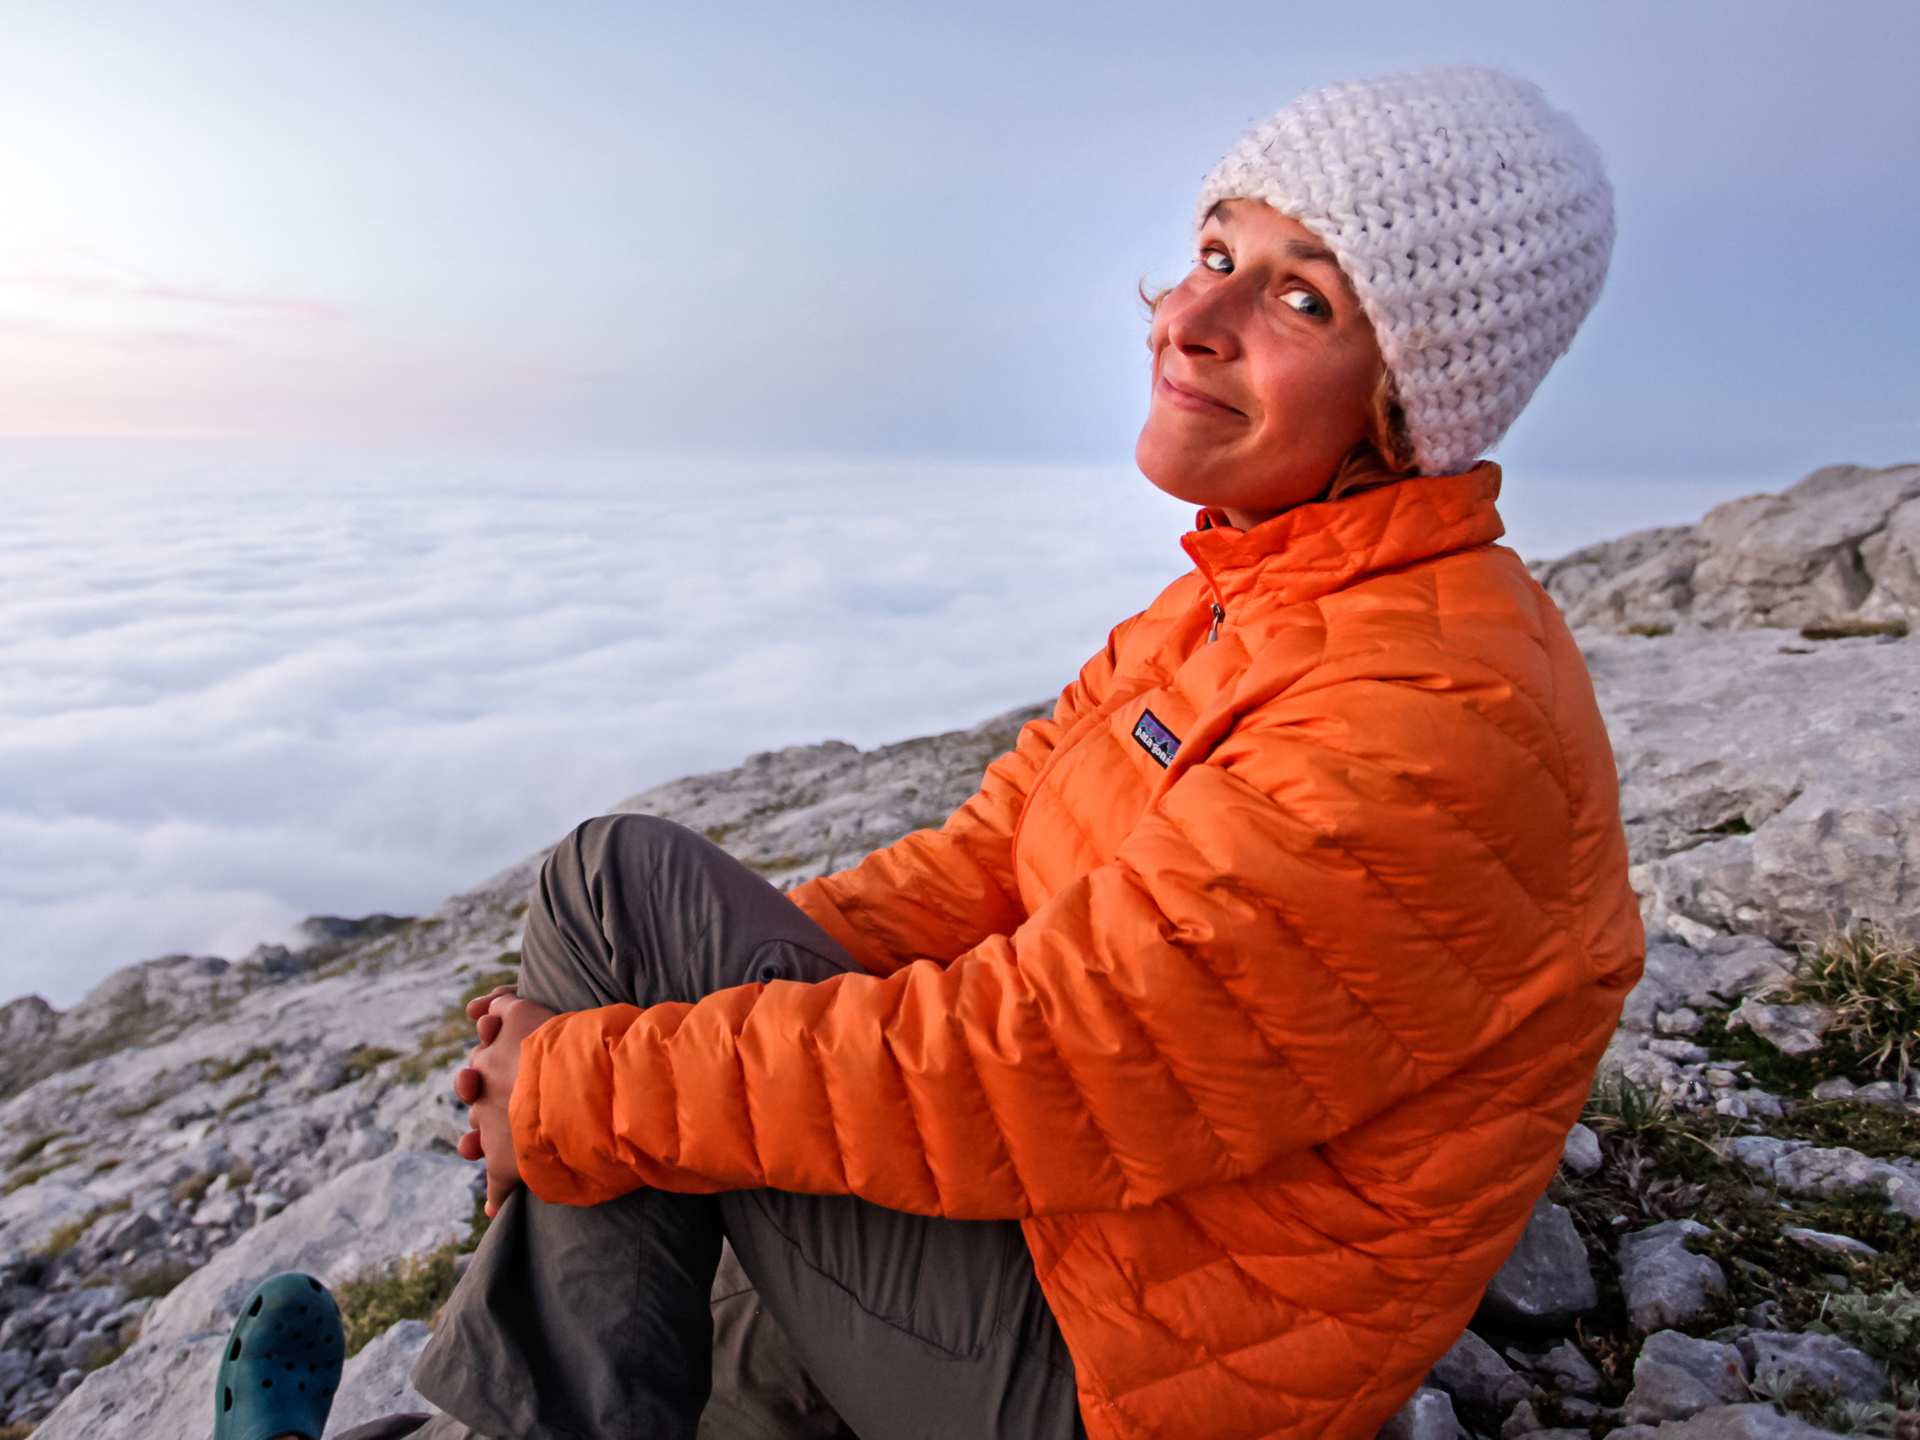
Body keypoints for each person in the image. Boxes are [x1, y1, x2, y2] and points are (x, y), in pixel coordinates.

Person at [219, 64, 1639, 1440]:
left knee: (618, 900)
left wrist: (590, 1081)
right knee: (670, 1219)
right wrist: (655, 1014)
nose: (1192, 317)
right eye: (1216, 252)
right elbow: (987, 866)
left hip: (1130, 1364)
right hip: (1084, 1244)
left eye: (1302, 297)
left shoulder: (1425, 715)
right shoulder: (1242, 600)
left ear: (1416, 401)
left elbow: (1053, 1064)